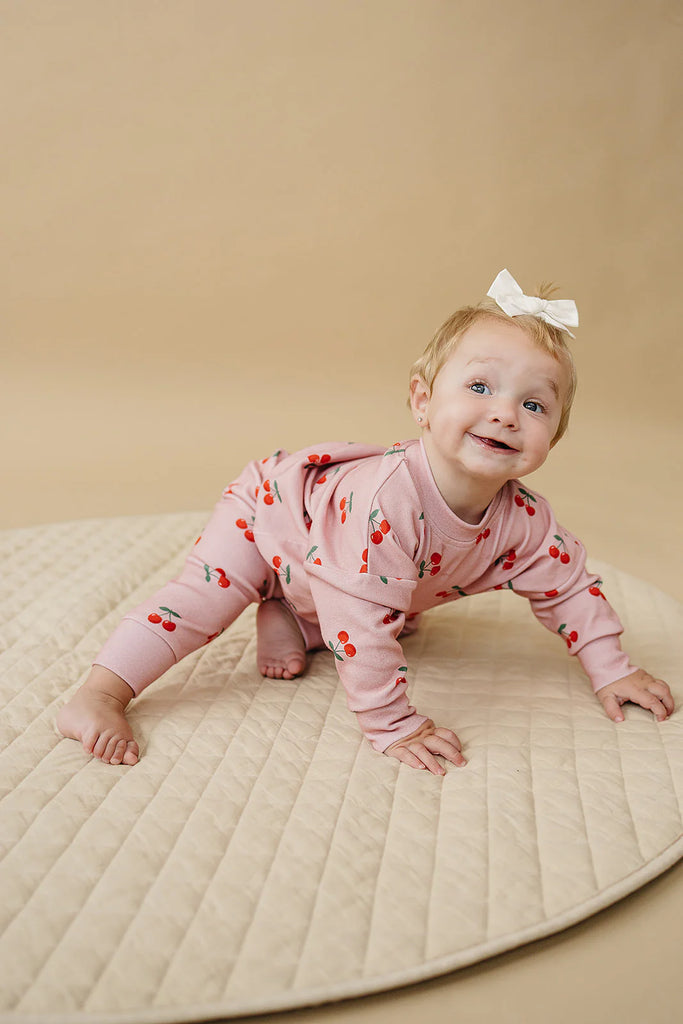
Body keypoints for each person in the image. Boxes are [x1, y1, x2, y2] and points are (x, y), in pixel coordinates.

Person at [57, 269, 674, 773]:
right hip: (271, 514)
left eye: (534, 404)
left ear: (553, 438)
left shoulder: (526, 523)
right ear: (422, 401)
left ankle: (292, 614)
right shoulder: (389, 502)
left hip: (333, 569)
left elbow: (569, 589)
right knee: (207, 601)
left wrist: (612, 669)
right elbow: (359, 621)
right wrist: (392, 723)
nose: (506, 413)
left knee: (386, 610)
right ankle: (99, 693)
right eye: (481, 387)